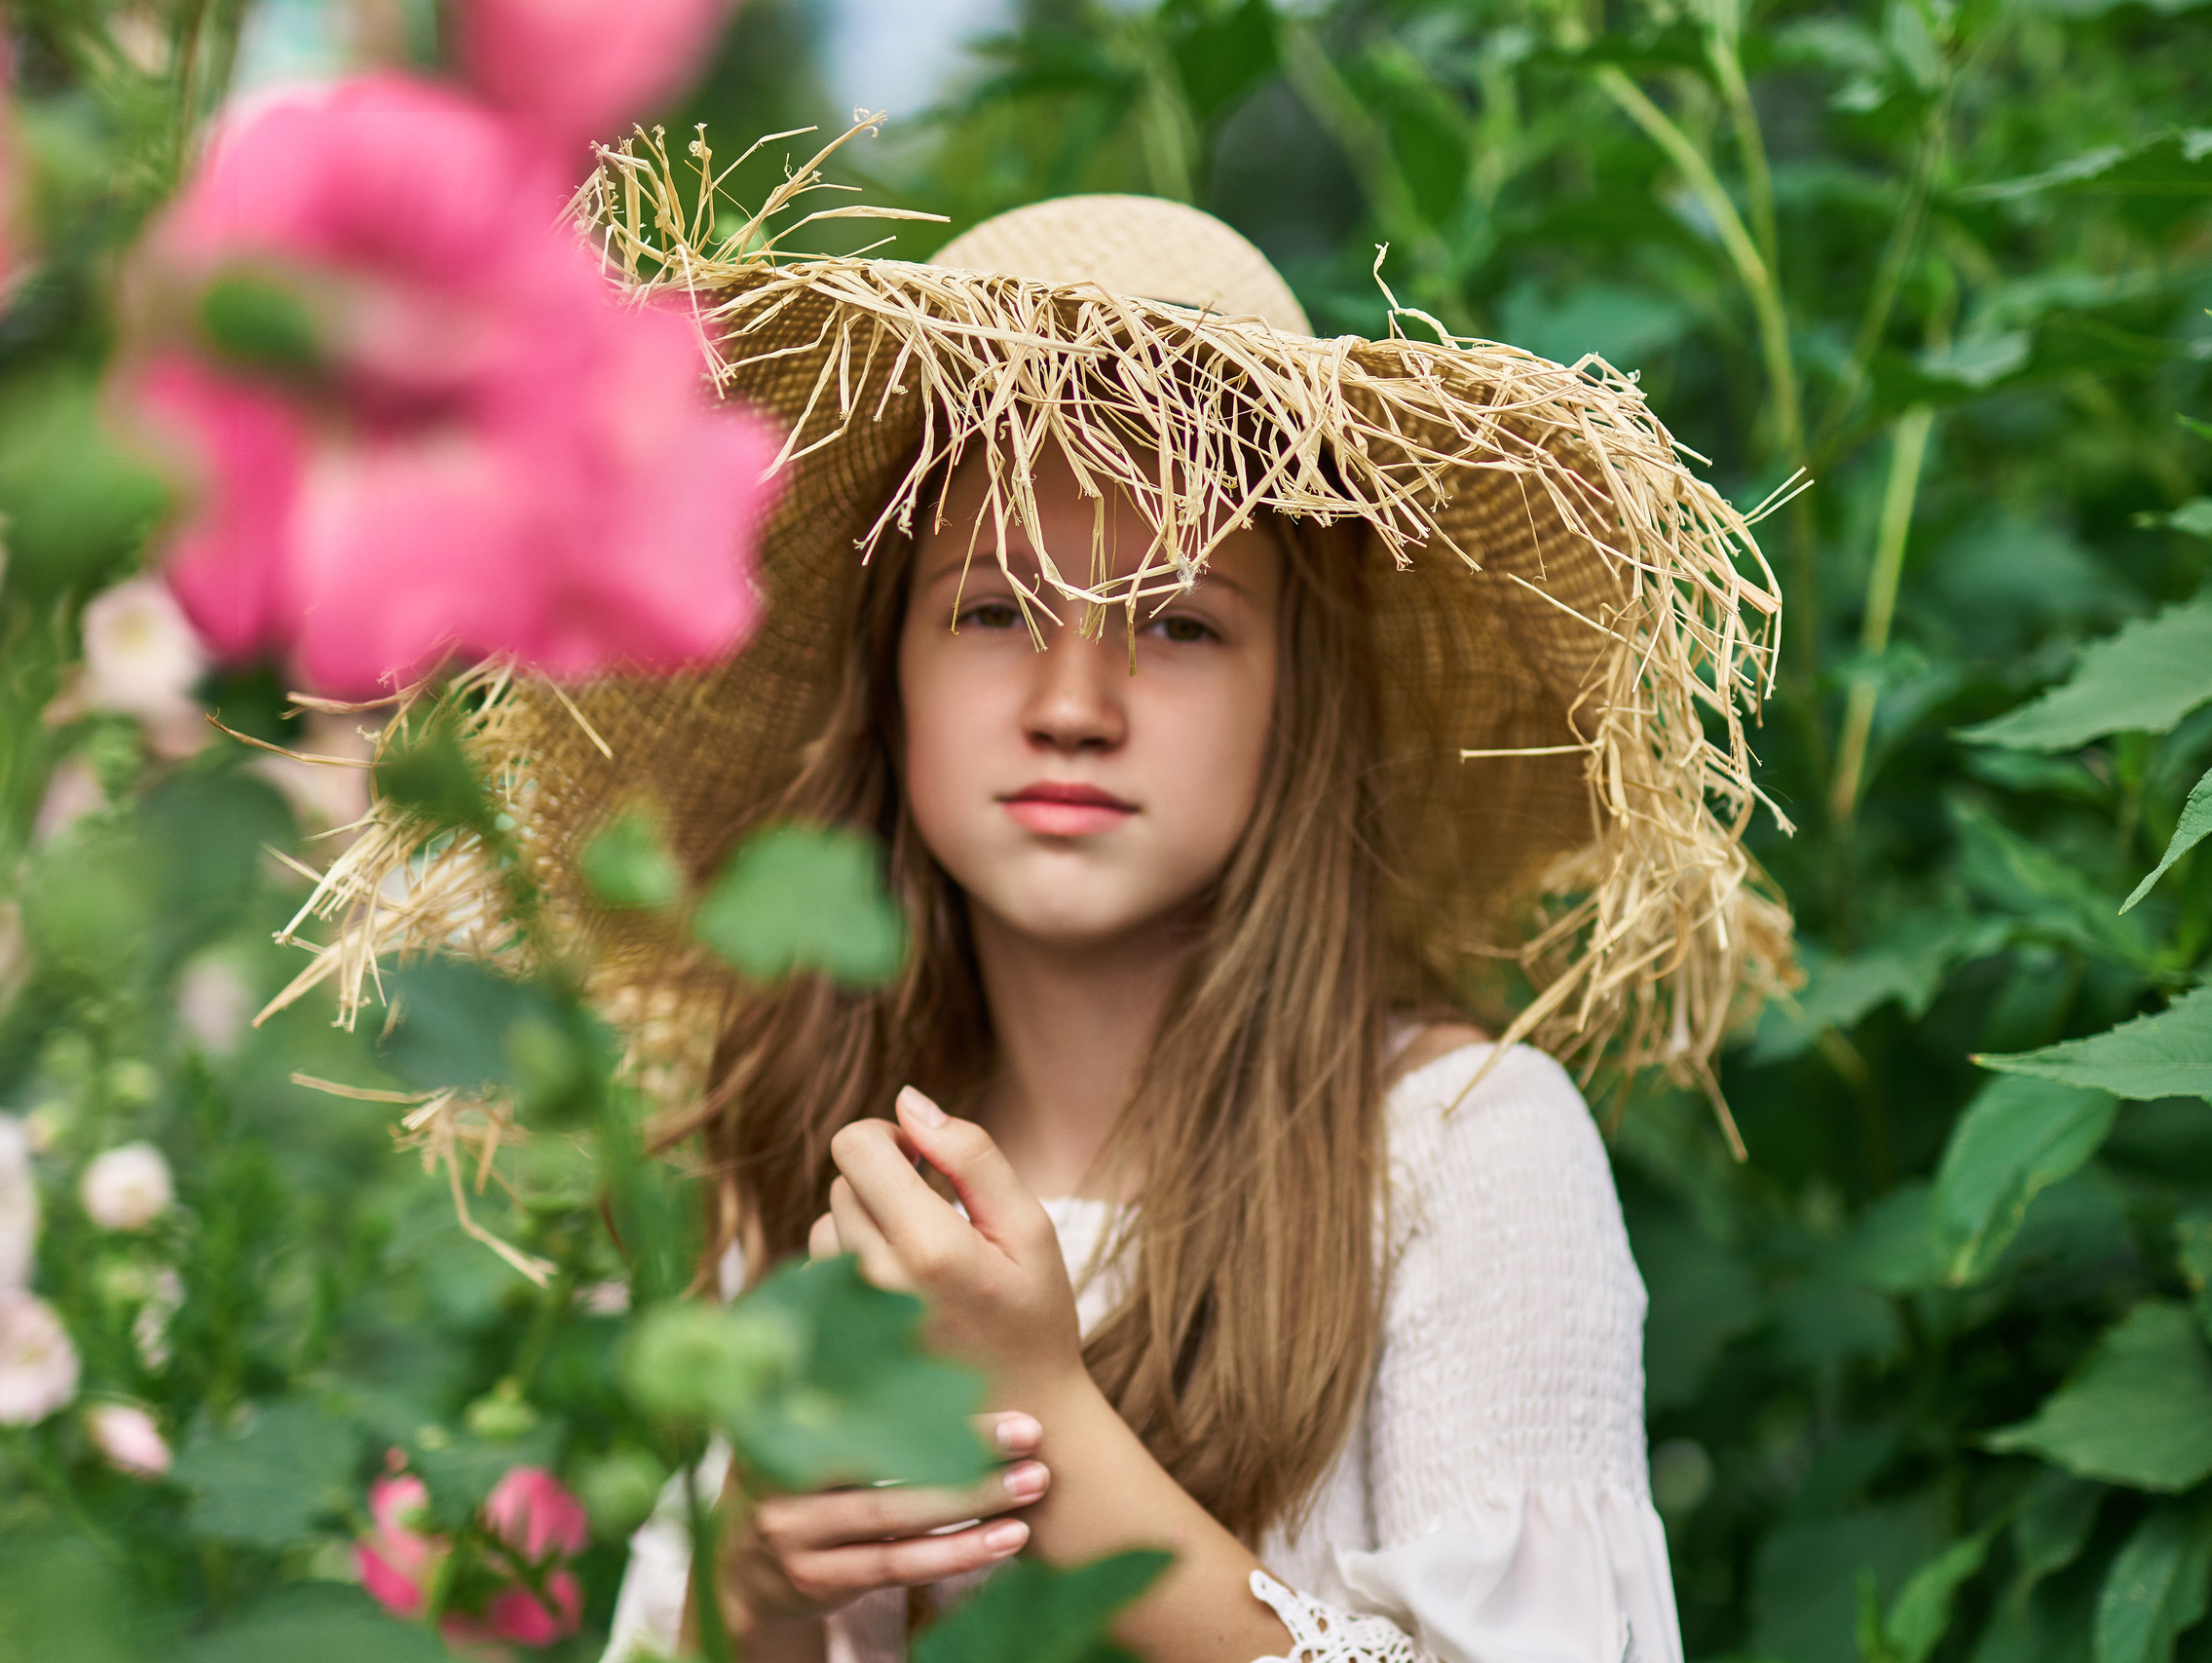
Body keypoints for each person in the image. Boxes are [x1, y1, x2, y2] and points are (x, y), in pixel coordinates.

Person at [320, 177, 1791, 1663]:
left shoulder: (1463, 1151)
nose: (1073, 707)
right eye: (989, 609)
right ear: (884, 678)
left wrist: (1043, 1418)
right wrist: (757, 1598)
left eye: (1178, 623)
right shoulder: (824, 1163)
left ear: (1299, 699)